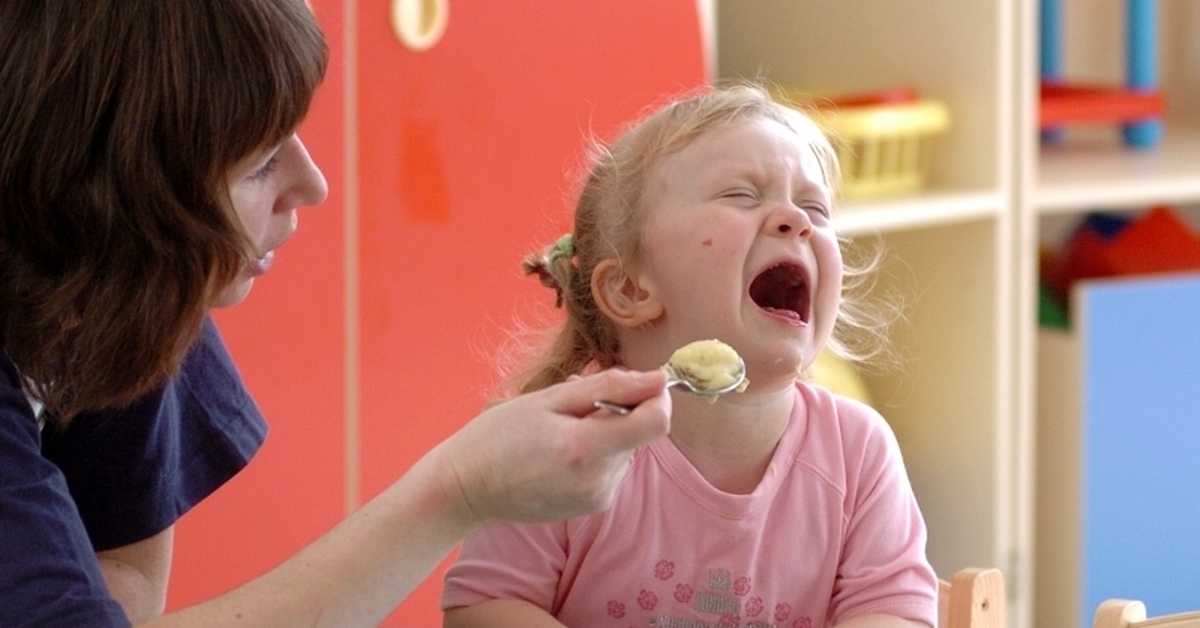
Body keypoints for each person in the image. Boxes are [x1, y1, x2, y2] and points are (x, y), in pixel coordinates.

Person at [0, 1, 671, 627]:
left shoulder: (130, 288)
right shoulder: (148, 256)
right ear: (115, 197)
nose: (311, 184)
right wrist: (455, 491)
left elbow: (112, 583)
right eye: (261, 161)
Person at [440, 84, 938, 628]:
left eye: (814, 207)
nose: (796, 220)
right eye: (741, 195)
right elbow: (484, 607)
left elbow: (895, 612)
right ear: (631, 290)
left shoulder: (857, 452)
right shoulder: (569, 441)